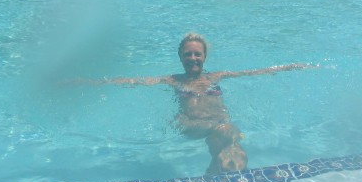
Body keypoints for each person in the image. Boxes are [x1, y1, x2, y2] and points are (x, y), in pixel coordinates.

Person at [67, 33, 320, 174]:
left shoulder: (216, 77)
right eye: (187, 54)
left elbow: (255, 72)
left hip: (216, 126)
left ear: (204, 56)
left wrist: (290, 67)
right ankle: (227, 177)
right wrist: (88, 82)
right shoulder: (173, 80)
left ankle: (215, 180)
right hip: (189, 125)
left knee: (228, 148)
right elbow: (132, 81)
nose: (193, 58)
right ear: (180, 57)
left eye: (197, 53)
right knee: (228, 133)